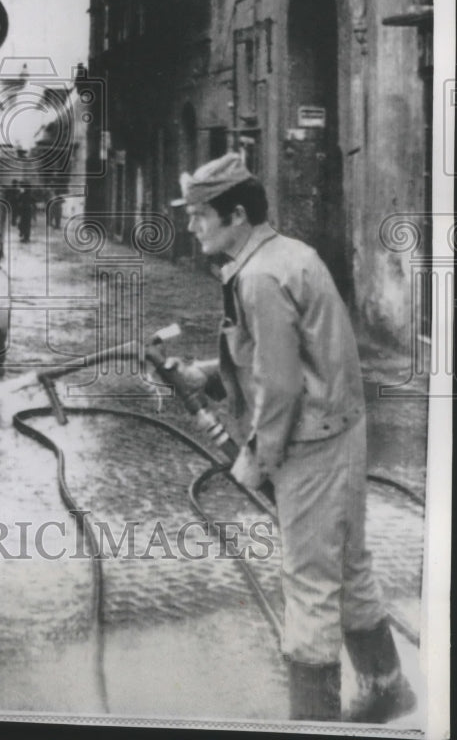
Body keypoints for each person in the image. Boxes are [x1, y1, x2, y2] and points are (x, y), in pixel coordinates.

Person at [168, 152, 415, 723]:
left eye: (200, 214)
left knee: (307, 587)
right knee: (348, 570)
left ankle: (315, 723)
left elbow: (278, 387)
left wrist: (257, 456)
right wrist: (207, 373)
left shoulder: (257, 277)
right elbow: (287, 357)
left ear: (234, 215)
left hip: (309, 445)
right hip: (341, 432)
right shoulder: (286, 255)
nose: (191, 225)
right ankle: (387, 690)